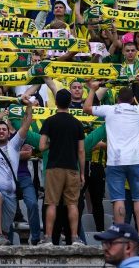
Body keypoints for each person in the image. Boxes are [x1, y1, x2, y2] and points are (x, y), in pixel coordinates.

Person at [84, 76, 139, 247]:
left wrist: (93, 89)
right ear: (132, 99)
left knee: (118, 200)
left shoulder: (109, 110)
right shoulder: (138, 110)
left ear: (117, 99)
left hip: (115, 162)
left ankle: (120, 235)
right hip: (135, 160)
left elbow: (86, 108)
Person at [0, 97, 35, 244]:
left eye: (4, 129)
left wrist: (29, 106)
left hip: (10, 193)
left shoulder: (14, 145)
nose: (1, 131)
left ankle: (1, 236)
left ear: (9, 133)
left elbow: (27, 123)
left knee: (6, 229)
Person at [39, 88, 85, 246]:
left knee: (51, 203)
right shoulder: (77, 123)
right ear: (70, 102)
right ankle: (75, 237)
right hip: (72, 168)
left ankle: (48, 238)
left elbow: (41, 146)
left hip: (54, 168)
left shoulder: (49, 121)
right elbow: (81, 151)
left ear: (56, 102)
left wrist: (53, 143)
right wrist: (82, 173)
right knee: (72, 204)